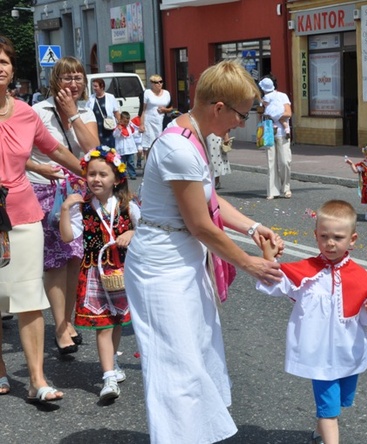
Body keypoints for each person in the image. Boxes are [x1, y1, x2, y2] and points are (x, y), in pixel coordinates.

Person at [124, 60, 284, 443]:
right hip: (161, 267)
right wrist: (250, 264)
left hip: (183, 259)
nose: (241, 123)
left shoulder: (193, 135)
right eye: (241, 114)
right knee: (177, 368)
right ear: (219, 108)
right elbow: (200, 224)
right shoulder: (180, 147)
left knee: (196, 356)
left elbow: (210, 201)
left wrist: (253, 227)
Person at [256, 199, 367, 444]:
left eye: (338, 237)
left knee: (340, 401)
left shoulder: (359, 274)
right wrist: (268, 255)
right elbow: (274, 282)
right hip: (319, 353)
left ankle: (319, 430)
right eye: (324, 236)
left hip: (347, 350)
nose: (330, 243)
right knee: (330, 411)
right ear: (315, 235)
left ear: (352, 240)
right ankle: (328, 434)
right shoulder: (306, 269)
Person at [0, 35, 83, 402]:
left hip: (22, 212)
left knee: (28, 296)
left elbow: (55, 149)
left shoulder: (25, 113)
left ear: (11, 68)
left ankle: (36, 380)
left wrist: (97, 171)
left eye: (2, 61)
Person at [28, 56, 100, 355]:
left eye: (78, 77)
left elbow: (93, 149)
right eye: (67, 77)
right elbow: (16, 154)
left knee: (75, 258)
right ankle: (59, 327)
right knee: (55, 260)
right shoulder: (37, 112)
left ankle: (68, 320)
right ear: (55, 80)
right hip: (45, 191)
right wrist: (40, 168)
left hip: (78, 193)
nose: (73, 83)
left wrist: (72, 115)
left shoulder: (85, 109)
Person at [60, 146, 139, 401]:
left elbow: (148, 230)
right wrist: (64, 209)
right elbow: (67, 237)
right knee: (104, 325)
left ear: (116, 179)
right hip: (95, 270)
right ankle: (107, 378)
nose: (96, 179)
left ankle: (112, 363)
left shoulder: (128, 205)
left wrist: (132, 233)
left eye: (103, 175)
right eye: (91, 174)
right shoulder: (81, 206)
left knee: (117, 322)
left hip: (123, 270)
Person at [259, 76, 293, 200]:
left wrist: (273, 115)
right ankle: (272, 190)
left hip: (282, 133)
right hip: (269, 132)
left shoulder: (282, 96)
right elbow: (262, 113)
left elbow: (288, 113)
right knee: (270, 162)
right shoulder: (264, 99)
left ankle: (286, 187)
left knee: (285, 162)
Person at [139, 74, 171, 155]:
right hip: (149, 122)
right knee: (149, 146)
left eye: (161, 82)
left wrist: (165, 110)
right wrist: (141, 124)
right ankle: (148, 164)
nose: (159, 84)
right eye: (157, 82)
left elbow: (171, 108)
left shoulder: (166, 93)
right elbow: (143, 110)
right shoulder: (147, 93)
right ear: (152, 83)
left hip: (162, 121)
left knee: (161, 144)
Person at [86, 78, 120, 148]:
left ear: (102, 87)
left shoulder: (110, 97)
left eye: (96, 86)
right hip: (96, 127)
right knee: (97, 147)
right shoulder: (91, 98)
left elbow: (116, 112)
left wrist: (120, 124)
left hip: (108, 127)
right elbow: (86, 111)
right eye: (93, 86)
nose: (94, 88)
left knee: (110, 148)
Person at [113, 111, 139, 180]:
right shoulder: (117, 127)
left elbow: (134, 134)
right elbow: (115, 135)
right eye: (124, 121)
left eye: (127, 121)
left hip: (130, 149)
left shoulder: (130, 127)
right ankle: (122, 175)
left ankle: (132, 174)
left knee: (131, 162)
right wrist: (118, 130)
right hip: (121, 149)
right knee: (122, 163)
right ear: (121, 120)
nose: (126, 123)